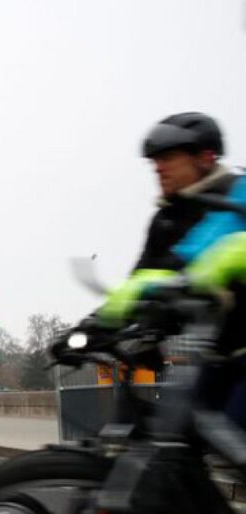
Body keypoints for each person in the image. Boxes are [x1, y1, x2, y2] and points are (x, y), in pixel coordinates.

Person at [95, 112, 245, 424]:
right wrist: (95, 325)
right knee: (176, 437)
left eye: (169, 157)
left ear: (205, 157)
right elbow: (140, 281)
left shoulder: (236, 195)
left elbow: (195, 259)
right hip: (217, 359)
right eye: (155, 160)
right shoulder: (164, 221)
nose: (158, 167)